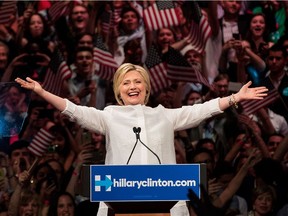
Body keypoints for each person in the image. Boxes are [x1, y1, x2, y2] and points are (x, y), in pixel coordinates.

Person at [15, 63, 268, 216]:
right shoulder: (110, 115)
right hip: (119, 199)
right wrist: (42, 91)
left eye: (138, 81)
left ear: (146, 88)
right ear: (118, 90)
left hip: (165, 199)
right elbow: (75, 111)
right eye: (126, 82)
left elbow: (201, 110)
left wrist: (235, 98)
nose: (132, 86)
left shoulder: (164, 115)